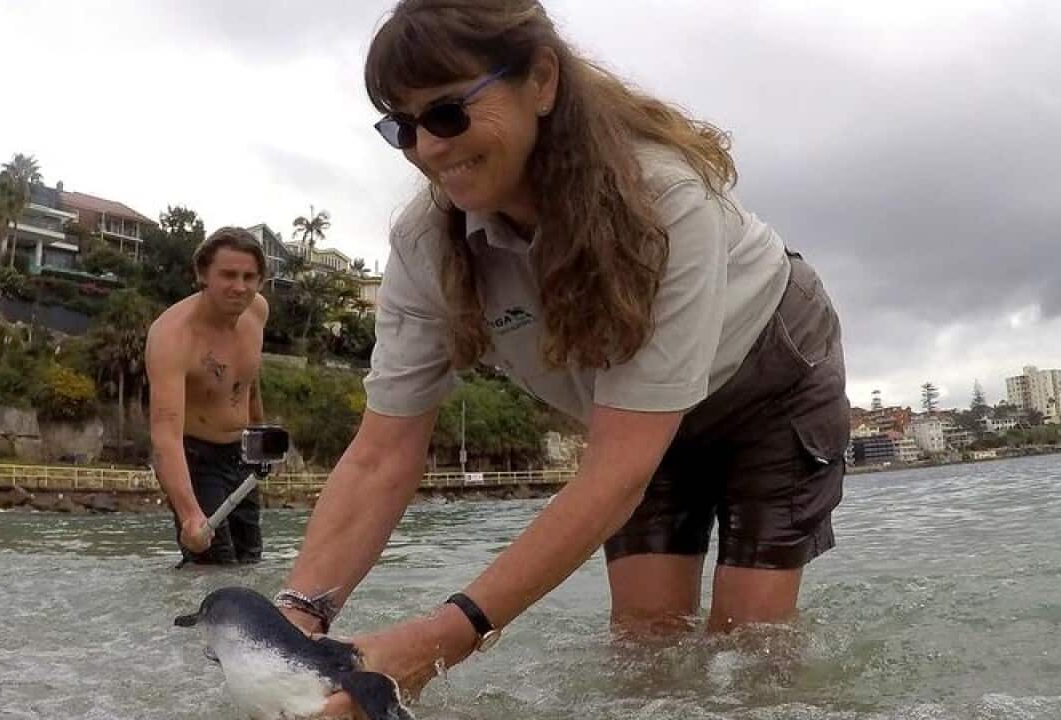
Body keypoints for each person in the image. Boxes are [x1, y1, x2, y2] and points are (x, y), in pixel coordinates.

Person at [276, 0, 851, 714]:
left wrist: (439, 639)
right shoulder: (426, 243)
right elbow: (380, 455)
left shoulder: (666, 197)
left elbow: (616, 471)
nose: (428, 148)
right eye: (402, 125)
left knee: (750, 647)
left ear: (541, 80)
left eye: (449, 113)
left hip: (769, 379)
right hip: (632, 414)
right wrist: (296, 624)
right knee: (647, 648)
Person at [146, 226, 270, 564]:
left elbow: (248, 380)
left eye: (249, 276)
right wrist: (189, 515)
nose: (239, 287)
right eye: (228, 275)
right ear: (203, 274)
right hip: (195, 459)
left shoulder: (257, 311)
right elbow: (165, 435)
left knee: (249, 562)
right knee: (212, 565)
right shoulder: (173, 336)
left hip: (242, 452)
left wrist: (261, 435)